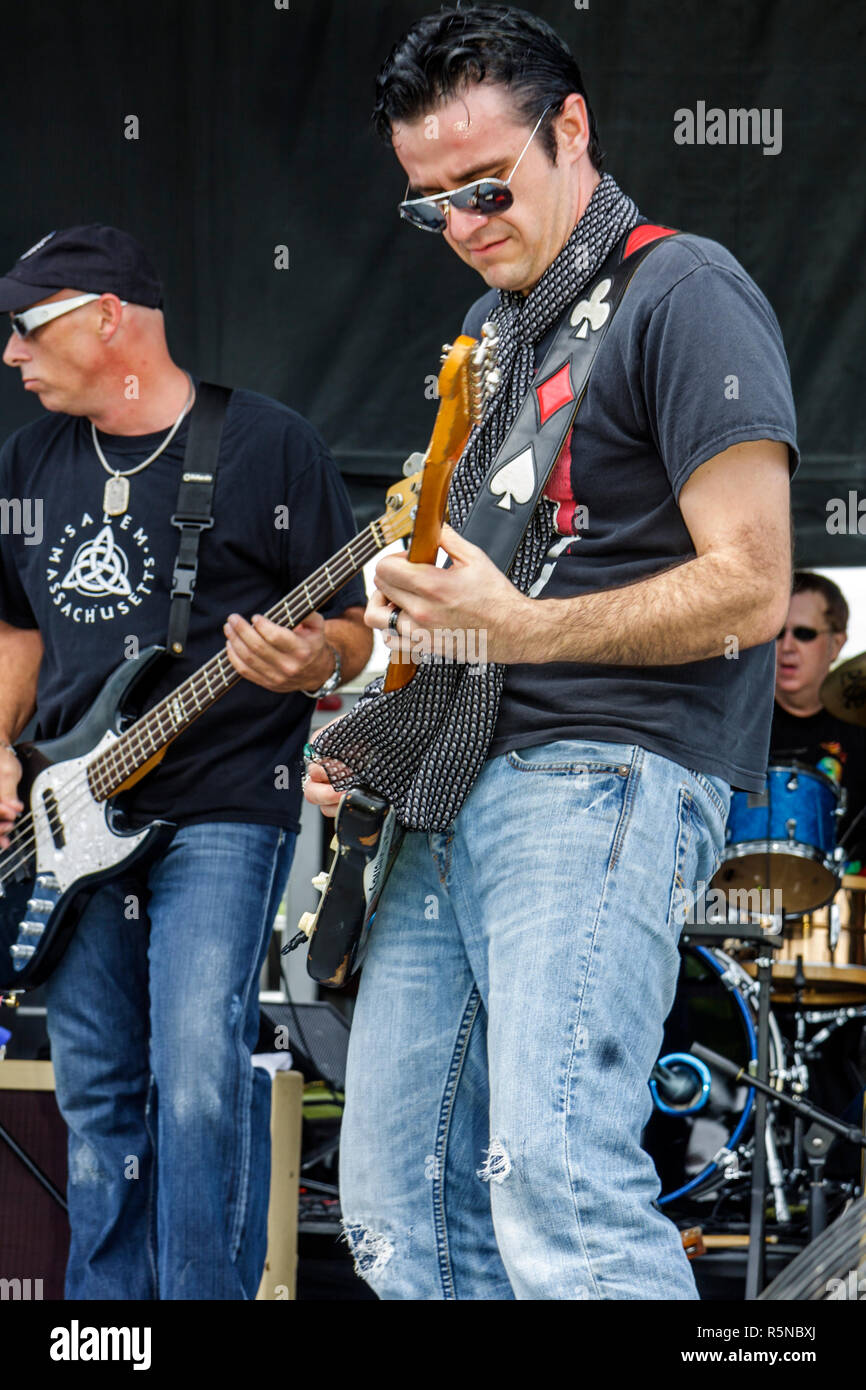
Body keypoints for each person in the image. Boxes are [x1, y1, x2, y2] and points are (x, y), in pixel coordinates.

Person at [304, 5, 796, 1300]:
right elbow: (462, 620)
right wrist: (365, 722)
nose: (462, 223)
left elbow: (753, 584)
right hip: (446, 792)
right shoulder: (490, 339)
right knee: (396, 1212)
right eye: (430, 205)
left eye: (485, 186)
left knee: (561, 1189)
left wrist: (521, 628)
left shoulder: (680, 285)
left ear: (570, 129)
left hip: (598, 773)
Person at [0, 224, 371, 1299]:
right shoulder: (25, 462)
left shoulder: (266, 444)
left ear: (104, 316)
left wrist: (311, 660)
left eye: (27, 327)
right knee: (98, 1090)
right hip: (71, 820)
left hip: (220, 805)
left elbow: (351, 632)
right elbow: (17, 627)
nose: (11, 354)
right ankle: (108, 1319)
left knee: (198, 1080)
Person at [772, 571, 866, 861]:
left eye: (804, 634)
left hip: (845, 896)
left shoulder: (859, 726)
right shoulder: (736, 720)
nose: (787, 646)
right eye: (777, 632)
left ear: (837, 644)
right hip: (745, 895)